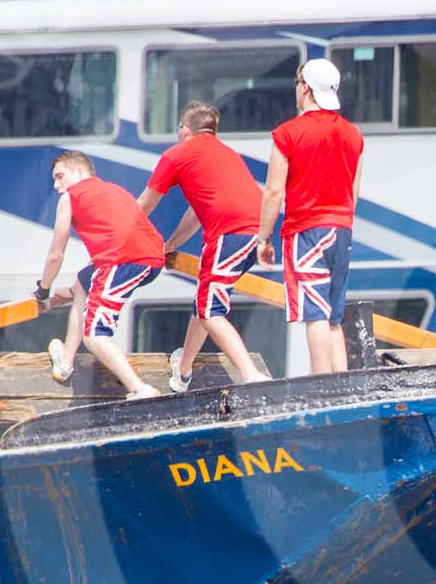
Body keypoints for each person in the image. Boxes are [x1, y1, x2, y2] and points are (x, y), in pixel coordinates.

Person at [138, 102, 271, 391]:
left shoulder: (177, 154)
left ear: (184, 130)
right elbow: (197, 212)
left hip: (229, 232)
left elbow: (144, 205)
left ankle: (250, 375)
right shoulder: (227, 154)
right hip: (256, 234)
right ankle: (183, 371)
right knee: (205, 300)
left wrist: (123, 237)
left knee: (211, 309)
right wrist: (170, 244)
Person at [256, 58, 363, 376]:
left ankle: (321, 385)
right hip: (342, 229)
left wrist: (264, 238)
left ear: (305, 87)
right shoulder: (353, 135)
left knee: (314, 312)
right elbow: (352, 195)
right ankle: (341, 385)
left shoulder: (287, 134)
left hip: (307, 232)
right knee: (333, 315)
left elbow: (274, 192)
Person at [35, 149, 165, 399]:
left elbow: (55, 254)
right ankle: (65, 360)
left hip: (123, 261)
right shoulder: (115, 190)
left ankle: (140, 389)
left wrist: (43, 289)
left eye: (60, 176)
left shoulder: (71, 197)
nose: (56, 185)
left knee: (94, 335)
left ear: (81, 171)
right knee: (84, 280)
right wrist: (71, 293)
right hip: (152, 260)